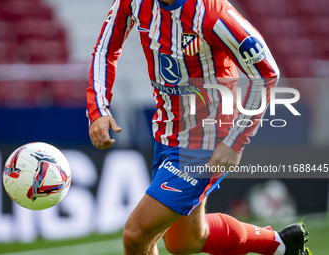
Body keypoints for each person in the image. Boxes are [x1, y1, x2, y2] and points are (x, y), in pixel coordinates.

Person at [86, 0, 311, 254]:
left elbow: (266, 73)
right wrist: (98, 110)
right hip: (168, 129)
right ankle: (282, 244)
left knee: (137, 234)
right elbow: (106, 48)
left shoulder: (214, 13)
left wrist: (235, 142)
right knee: (185, 241)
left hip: (207, 138)